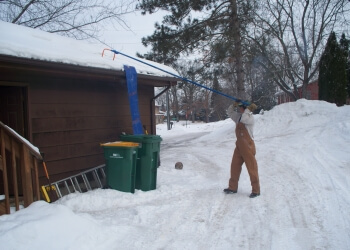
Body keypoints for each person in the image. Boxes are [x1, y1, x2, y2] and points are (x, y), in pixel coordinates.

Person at [223, 101, 260, 198]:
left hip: (248, 146)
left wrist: (248, 109)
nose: (239, 109)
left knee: (252, 168)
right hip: (239, 146)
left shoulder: (249, 118)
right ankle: (232, 187)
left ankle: (256, 190)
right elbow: (230, 113)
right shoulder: (239, 116)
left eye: (240, 107)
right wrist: (233, 105)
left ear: (245, 108)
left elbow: (244, 119)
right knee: (234, 166)